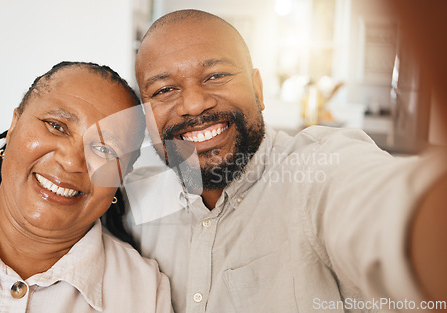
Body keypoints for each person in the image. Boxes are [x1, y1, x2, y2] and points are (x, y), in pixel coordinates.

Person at [125, 8, 447, 313]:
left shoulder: (318, 170)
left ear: (258, 89)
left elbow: (389, 215)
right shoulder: (131, 205)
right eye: (165, 89)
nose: (194, 105)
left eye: (216, 75)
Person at [0, 61, 173, 313]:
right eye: (56, 126)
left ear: (122, 174)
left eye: (104, 149)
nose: (70, 161)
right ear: (13, 126)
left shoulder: (144, 293)